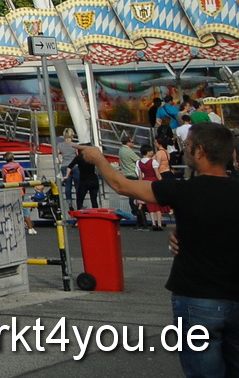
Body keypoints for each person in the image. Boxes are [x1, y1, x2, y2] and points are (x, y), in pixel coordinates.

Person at [77, 124, 237, 377]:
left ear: (200, 151)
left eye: (187, 146)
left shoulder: (181, 189)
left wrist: (98, 158)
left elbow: (121, 185)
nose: (184, 151)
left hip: (197, 296)